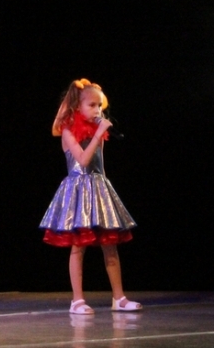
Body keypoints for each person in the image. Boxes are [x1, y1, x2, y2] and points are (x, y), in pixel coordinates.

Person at [40, 78, 139, 314]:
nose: (97, 110)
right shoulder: (67, 132)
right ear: (77, 106)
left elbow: (98, 166)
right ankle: (77, 300)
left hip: (98, 189)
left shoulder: (97, 131)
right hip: (78, 192)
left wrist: (99, 132)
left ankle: (119, 298)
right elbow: (83, 161)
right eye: (92, 105)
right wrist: (97, 134)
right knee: (78, 246)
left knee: (110, 245)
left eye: (99, 106)